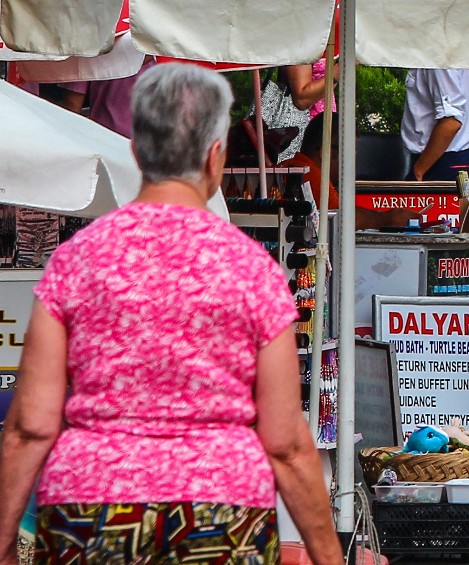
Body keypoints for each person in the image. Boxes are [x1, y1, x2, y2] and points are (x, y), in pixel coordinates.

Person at [0, 65, 344, 565]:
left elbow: (30, 425)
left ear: (137, 152)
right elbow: (287, 442)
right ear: (216, 155)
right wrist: (329, 556)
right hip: (221, 512)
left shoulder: (76, 262)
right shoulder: (251, 270)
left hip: (92, 509)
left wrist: (5, 542)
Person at [404, 67, 469, 181]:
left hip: (443, 160)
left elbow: (451, 122)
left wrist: (419, 171)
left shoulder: (438, 60)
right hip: (457, 158)